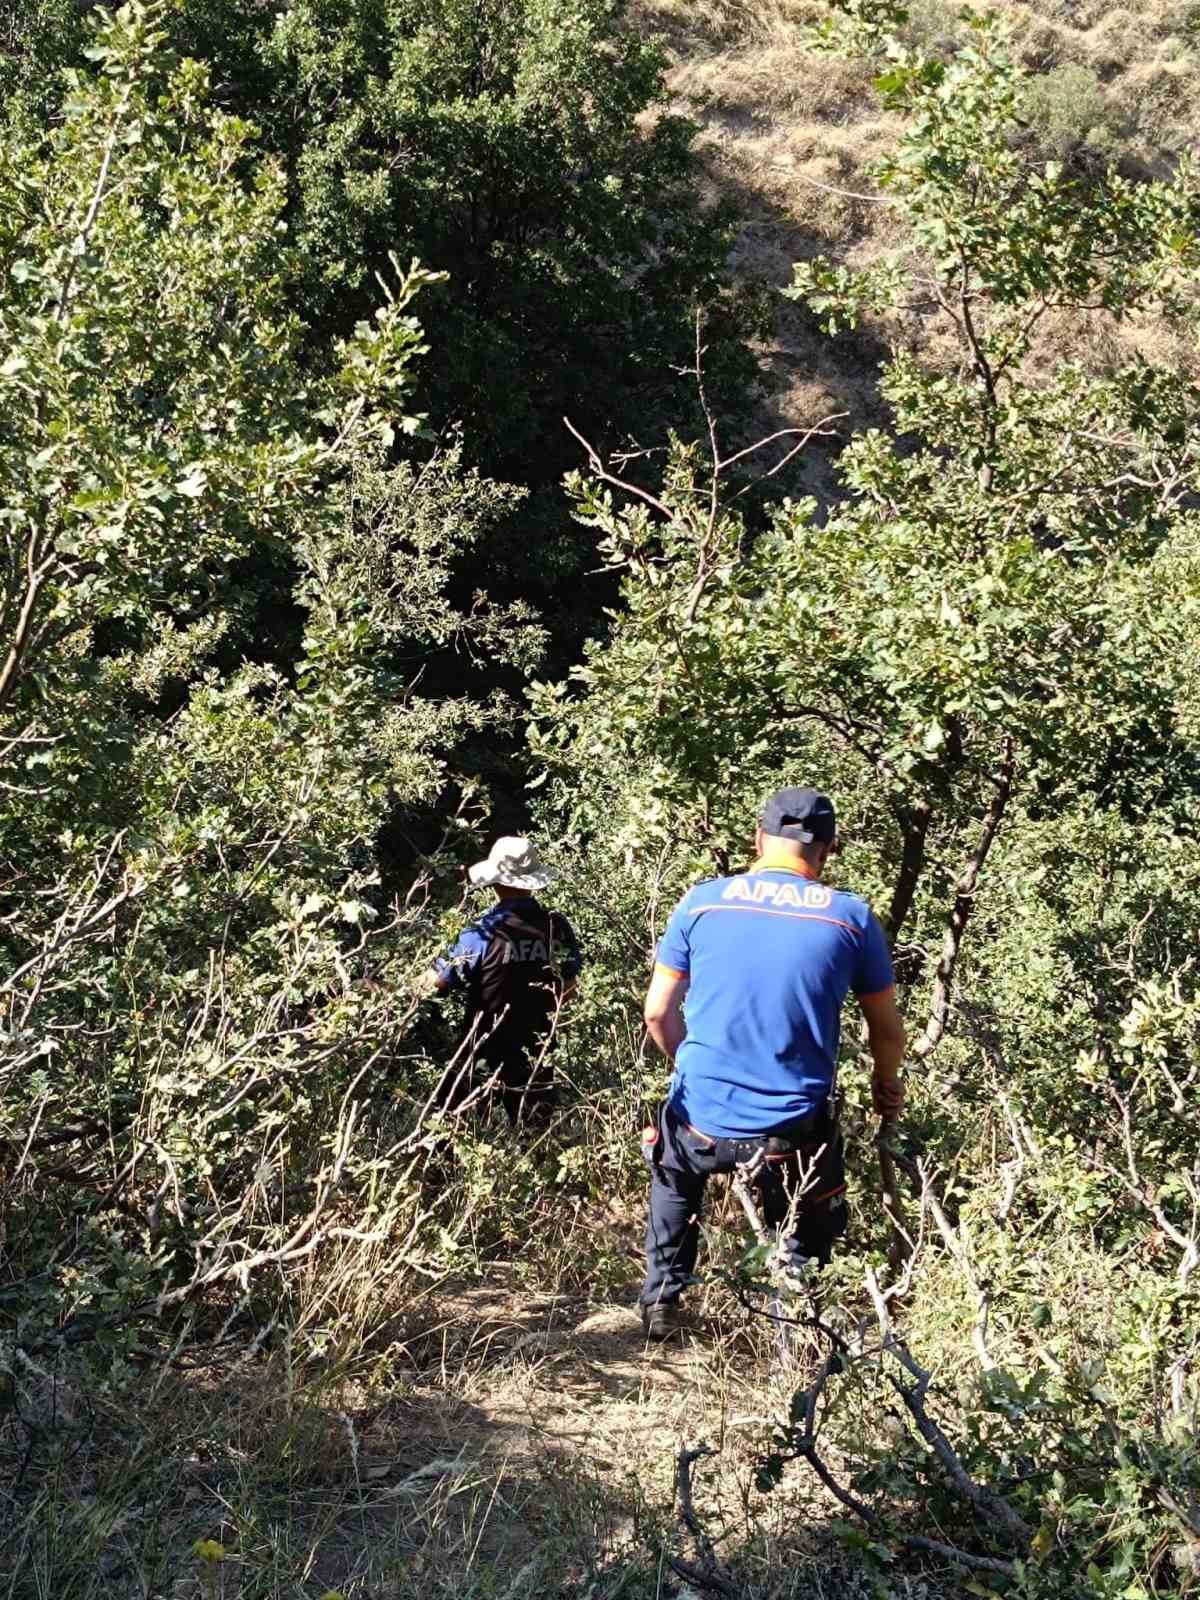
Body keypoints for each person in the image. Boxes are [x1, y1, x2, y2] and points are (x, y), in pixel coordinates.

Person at [638, 787, 905, 1340]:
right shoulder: (851, 918)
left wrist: (690, 1069)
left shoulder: (702, 902)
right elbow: (886, 1029)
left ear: (758, 839)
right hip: (790, 1133)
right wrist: (886, 1085)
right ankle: (797, 1315)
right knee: (810, 1211)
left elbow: (658, 1013)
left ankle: (662, 1302)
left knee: (674, 1174)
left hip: (699, 1120)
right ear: (828, 848)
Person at [431, 836, 582, 1131]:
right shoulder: (556, 926)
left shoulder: (482, 932)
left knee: (450, 1130)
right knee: (536, 1136)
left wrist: (386, 988)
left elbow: (439, 981)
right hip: (537, 1050)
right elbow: (569, 988)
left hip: (483, 1049)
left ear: (495, 882)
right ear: (532, 881)